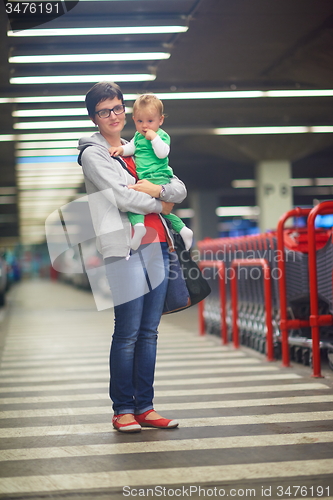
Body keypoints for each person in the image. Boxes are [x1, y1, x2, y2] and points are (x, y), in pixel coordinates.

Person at [78, 81, 187, 433]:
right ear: (94, 117)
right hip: (123, 248)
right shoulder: (93, 154)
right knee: (127, 332)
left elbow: (178, 185)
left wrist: (160, 191)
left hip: (157, 244)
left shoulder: (139, 144)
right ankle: (123, 409)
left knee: (149, 332)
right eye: (103, 111)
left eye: (117, 108)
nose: (113, 116)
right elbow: (122, 197)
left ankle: (145, 407)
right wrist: (163, 201)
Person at [109, 94, 193, 251]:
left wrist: (154, 137)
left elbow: (163, 153)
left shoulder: (161, 136)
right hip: (146, 179)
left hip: (158, 177)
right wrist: (120, 149)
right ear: (134, 120)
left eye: (150, 121)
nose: (145, 126)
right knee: (162, 211)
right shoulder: (138, 137)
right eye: (140, 121)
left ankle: (139, 226)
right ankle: (183, 230)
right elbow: (131, 148)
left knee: (135, 201)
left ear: (160, 120)